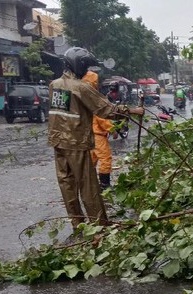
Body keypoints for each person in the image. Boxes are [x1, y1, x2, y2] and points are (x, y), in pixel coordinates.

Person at [48, 47, 143, 229]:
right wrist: (132, 111)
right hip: (76, 142)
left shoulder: (55, 84)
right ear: (79, 66)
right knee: (88, 185)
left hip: (58, 142)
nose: (86, 72)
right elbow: (106, 109)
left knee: (67, 185)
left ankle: (78, 225)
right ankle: (99, 226)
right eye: (85, 67)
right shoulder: (80, 87)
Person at [82, 71, 117, 190]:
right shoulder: (94, 98)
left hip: (86, 135)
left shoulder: (80, 96)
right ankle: (104, 185)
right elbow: (102, 117)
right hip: (97, 135)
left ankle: (88, 183)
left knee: (91, 160)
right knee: (105, 158)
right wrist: (113, 129)